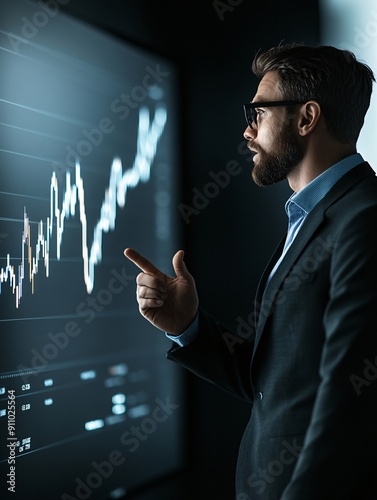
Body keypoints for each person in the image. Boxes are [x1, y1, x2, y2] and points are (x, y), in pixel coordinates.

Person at [124, 43, 377, 499]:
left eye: (258, 112)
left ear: (306, 118)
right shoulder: (314, 217)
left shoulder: (363, 219)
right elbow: (280, 382)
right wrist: (189, 327)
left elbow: (351, 404)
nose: (247, 130)